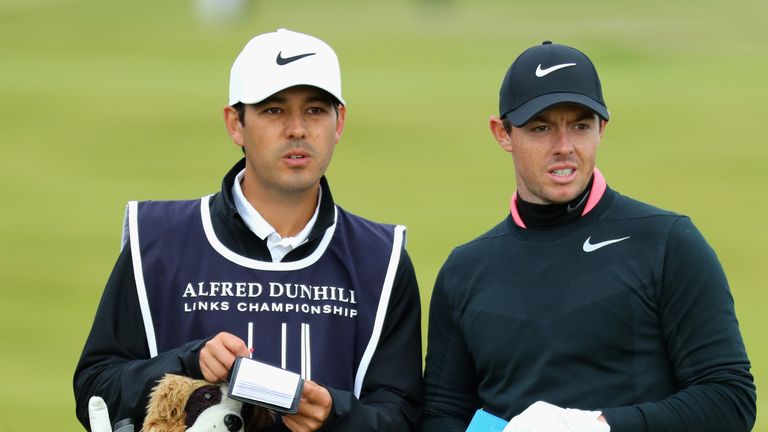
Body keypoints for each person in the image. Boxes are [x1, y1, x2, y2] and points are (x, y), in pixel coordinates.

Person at [74, 28, 423, 431]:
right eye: (273, 110)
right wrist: (189, 363)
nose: (297, 129)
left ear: (338, 122)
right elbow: (94, 391)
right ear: (235, 123)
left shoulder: (382, 258)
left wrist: (334, 415)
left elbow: (404, 415)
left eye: (315, 110)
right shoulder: (157, 241)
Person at [420, 41, 756, 432]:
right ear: (503, 133)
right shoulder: (465, 271)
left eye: (580, 125)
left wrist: (599, 426)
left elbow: (729, 398)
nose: (564, 147)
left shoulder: (667, 243)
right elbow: (442, 415)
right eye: (541, 128)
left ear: (602, 128)